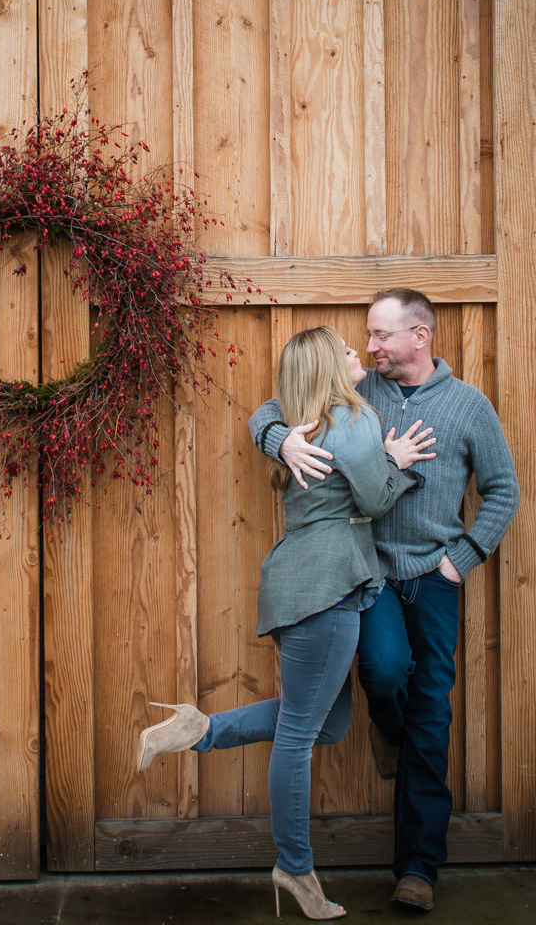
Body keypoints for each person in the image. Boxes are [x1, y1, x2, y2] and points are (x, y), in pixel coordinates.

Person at [137, 325, 436, 921]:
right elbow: (377, 500)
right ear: (328, 368)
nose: (357, 352)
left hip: (301, 584)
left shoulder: (303, 421)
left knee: (326, 724)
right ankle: (295, 867)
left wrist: (278, 439)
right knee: (300, 736)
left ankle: (198, 729)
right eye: (345, 350)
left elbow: (266, 414)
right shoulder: (354, 419)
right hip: (326, 587)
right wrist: (397, 462)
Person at [249, 289, 520, 912]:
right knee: (385, 670)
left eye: (380, 335)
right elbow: (273, 405)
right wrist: (279, 440)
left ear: (419, 337)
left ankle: (418, 868)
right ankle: (387, 728)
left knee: (433, 712)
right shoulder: (358, 390)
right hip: (368, 575)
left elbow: (503, 491)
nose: (369, 346)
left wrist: (460, 560)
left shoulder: (469, 406)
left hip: (436, 577)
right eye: (367, 337)